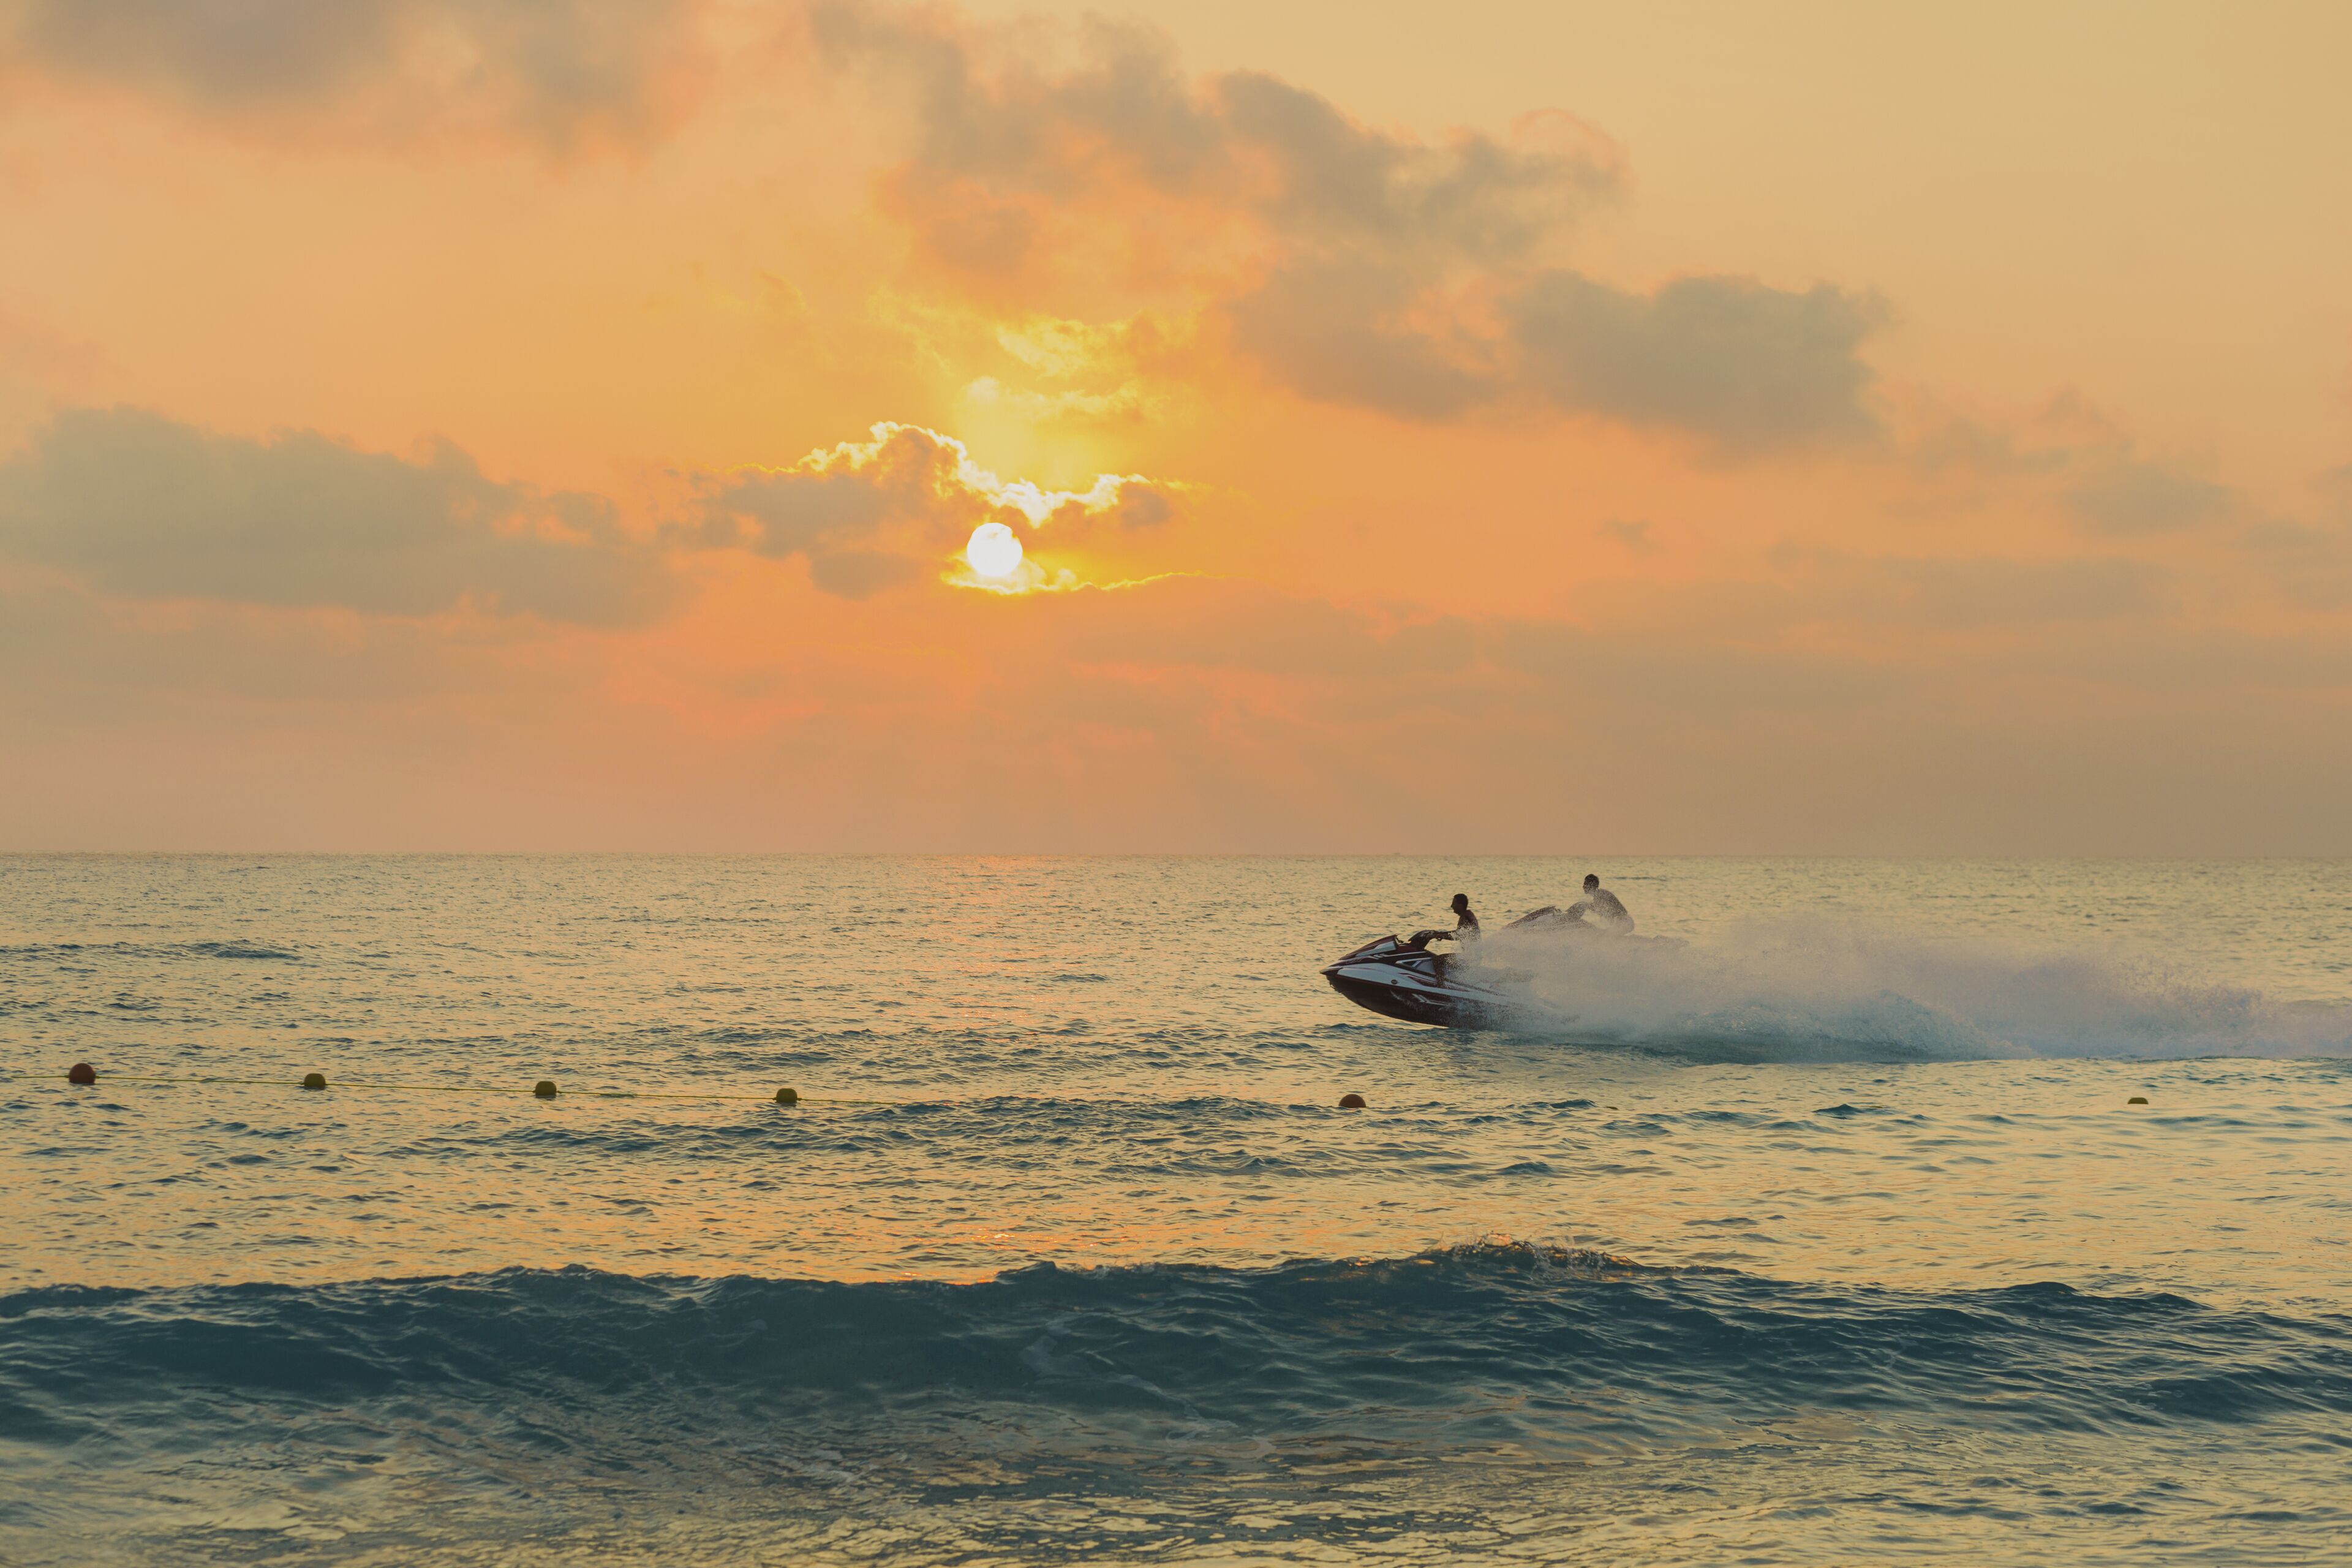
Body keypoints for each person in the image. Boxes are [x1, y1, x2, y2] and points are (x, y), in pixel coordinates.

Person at [1569, 873, 1634, 933]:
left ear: (1590, 885)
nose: (1583, 886)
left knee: (1599, 935)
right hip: (1625, 922)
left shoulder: (1600, 894)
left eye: (1585, 884)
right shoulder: (1600, 894)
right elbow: (1603, 911)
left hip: (1624, 923)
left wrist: (1585, 906)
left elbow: (1597, 909)